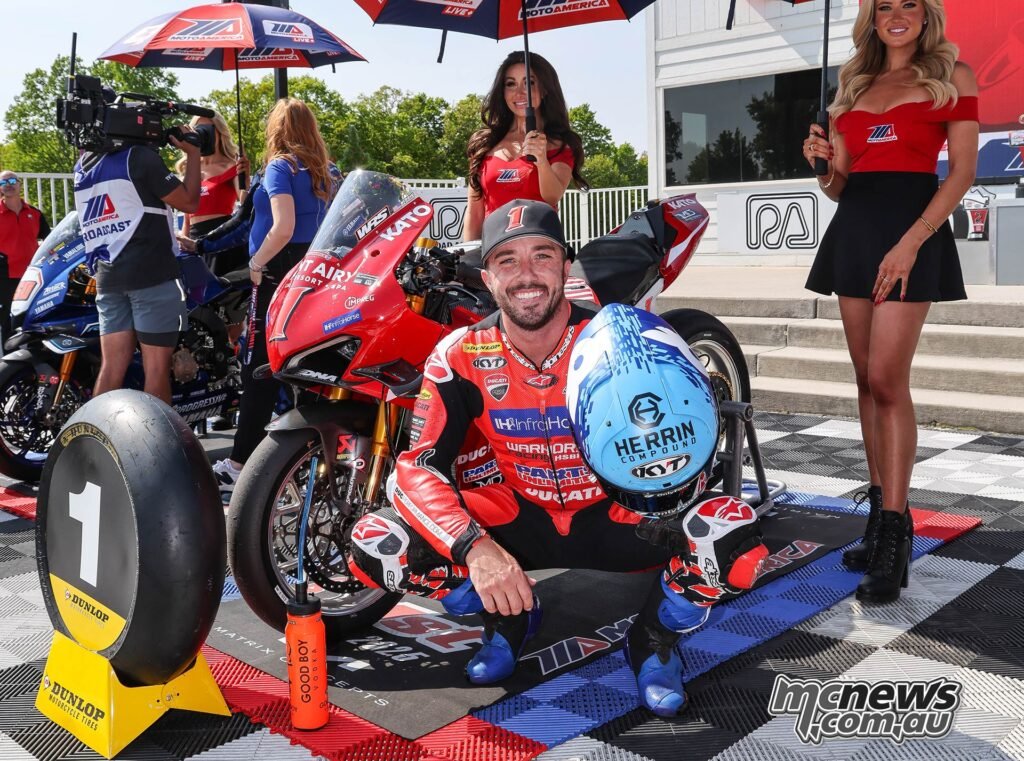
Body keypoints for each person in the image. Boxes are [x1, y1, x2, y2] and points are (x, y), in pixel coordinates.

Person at [347, 199, 768, 719]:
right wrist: (475, 548)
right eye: (507, 260)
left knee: (732, 538)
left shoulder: (619, 338)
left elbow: (686, 438)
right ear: (488, 278)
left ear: (566, 267)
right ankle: (510, 616)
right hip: (519, 517)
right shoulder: (459, 353)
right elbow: (417, 467)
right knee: (377, 544)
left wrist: (671, 486)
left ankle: (653, 640)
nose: (527, 275)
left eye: (542, 256)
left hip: (618, 516)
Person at [803, 0, 978, 604]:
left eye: (908, 4)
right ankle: (877, 519)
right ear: (872, 18)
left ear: (925, 15)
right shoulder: (851, 84)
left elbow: (962, 173)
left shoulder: (952, 75)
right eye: (884, 6)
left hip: (914, 231)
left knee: (886, 378)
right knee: (863, 381)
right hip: (855, 229)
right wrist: (823, 169)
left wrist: (911, 243)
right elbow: (842, 186)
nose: (896, 15)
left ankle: (898, 535)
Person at [212, 98, 332, 497]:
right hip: (316, 273)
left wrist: (256, 263)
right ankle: (312, 459)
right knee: (308, 366)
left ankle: (239, 463)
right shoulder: (327, 171)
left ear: (277, 129)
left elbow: (283, 226)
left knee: (259, 367)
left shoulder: (281, 167)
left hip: (278, 272)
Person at [73, 130, 202, 404]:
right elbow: (189, 201)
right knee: (155, 370)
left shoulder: (84, 165)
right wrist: (193, 153)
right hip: (151, 273)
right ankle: (156, 433)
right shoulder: (139, 157)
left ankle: (97, 430)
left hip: (109, 277)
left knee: (111, 368)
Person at [462, 52, 587, 242]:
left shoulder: (561, 144)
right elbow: (475, 213)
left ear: (545, 89)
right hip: (494, 251)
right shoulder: (484, 144)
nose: (519, 92)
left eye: (529, 83)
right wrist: (469, 255)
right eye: (510, 84)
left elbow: (552, 197)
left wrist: (541, 161)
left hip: (541, 249)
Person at [175, 113, 248, 275]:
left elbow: (245, 205)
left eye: (207, 129)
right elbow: (187, 218)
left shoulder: (232, 166)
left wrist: (245, 177)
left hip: (221, 242)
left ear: (220, 133)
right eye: (198, 130)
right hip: (192, 243)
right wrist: (182, 242)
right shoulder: (190, 168)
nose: (203, 134)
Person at [0, 170, 50, 334]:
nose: (8, 185)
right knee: (8, 319)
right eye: (3, 182)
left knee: (35, 315)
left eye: (12, 181)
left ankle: (34, 348)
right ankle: (9, 351)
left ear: (19, 184)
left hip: (33, 275)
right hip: (5, 275)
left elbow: (49, 240)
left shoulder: (34, 213)